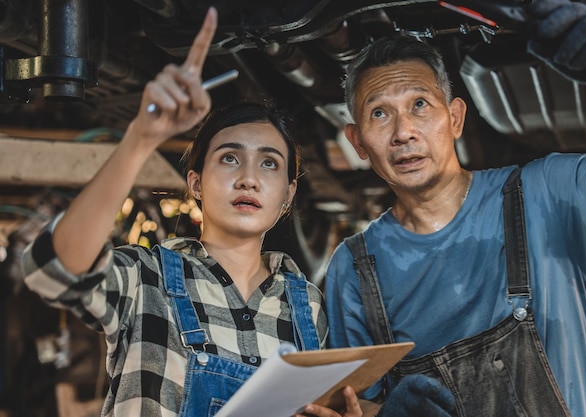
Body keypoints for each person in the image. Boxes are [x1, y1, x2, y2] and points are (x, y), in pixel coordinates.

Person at [20, 7, 363, 417]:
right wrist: (140, 138)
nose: (249, 179)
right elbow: (54, 271)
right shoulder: (146, 279)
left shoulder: (307, 306)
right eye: (230, 159)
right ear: (196, 183)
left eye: (269, 163)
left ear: (288, 195)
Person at [325, 0, 586, 416]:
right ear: (357, 141)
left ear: (455, 118)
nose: (403, 132)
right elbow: (357, 405)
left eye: (419, 104)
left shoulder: (550, 194)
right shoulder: (355, 268)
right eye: (380, 113)